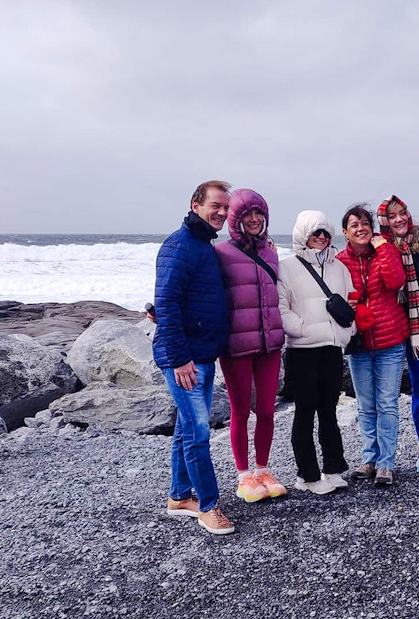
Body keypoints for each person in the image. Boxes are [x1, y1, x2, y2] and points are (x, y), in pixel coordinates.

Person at [152, 180, 235, 535]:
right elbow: (166, 303)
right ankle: (209, 506)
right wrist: (180, 357)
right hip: (185, 358)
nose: (221, 213)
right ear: (195, 205)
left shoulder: (202, 245)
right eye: (215, 205)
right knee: (199, 432)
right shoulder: (179, 244)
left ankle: (178, 496)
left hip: (201, 353)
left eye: (226, 208)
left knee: (187, 428)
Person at [215, 188, 286, 503]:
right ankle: (244, 476)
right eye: (247, 215)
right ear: (235, 220)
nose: (255, 220)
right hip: (236, 346)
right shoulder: (220, 253)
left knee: (268, 411)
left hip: (269, 344)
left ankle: (262, 469)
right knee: (241, 411)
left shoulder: (271, 252)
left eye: (260, 214)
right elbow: (202, 290)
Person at [277, 210, 354, 494]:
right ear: (302, 235)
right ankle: (307, 475)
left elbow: (350, 303)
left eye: (325, 232)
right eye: (315, 233)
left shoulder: (339, 268)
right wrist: (301, 329)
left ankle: (333, 469)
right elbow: (279, 306)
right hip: (302, 351)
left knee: (329, 412)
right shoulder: (286, 267)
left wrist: (347, 332)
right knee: (305, 413)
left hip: (332, 349)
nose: (321, 237)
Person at [336, 204, 409, 486]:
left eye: (365, 223)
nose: (360, 228)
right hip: (359, 343)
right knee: (366, 405)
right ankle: (370, 458)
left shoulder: (385, 252)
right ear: (345, 232)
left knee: (387, 403)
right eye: (354, 225)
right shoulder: (340, 260)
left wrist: (383, 247)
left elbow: (396, 281)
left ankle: (386, 464)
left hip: (389, 340)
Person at [377, 195, 419, 474]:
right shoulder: (385, 250)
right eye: (392, 216)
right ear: (385, 223)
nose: (399, 219)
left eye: (402, 213)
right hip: (414, 333)